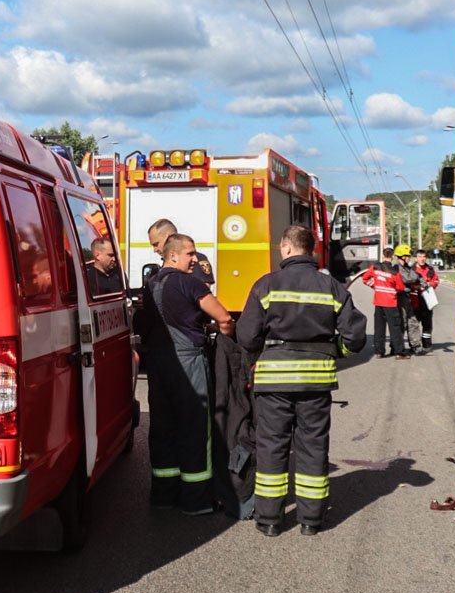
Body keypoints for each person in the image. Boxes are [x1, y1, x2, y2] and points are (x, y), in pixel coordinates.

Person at [237, 225, 367, 537]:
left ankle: (270, 519)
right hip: (316, 383)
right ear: (311, 250)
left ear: (286, 248)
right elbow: (355, 337)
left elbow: (247, 336)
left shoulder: (266, 285)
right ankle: (311, 520)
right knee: (313, 446)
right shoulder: (331, 287)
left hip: (273, 383)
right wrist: (335, 351)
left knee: (272, 446)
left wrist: (262, 354)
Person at [140, 233, 234, 515]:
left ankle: (164, 495)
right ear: (173, 255)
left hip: (159, 362)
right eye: (190, 254)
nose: (194, 259)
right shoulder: (189, 282)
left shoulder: (152, 283)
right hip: (188, 360)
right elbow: (224, 318)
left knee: (163, 428)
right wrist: (224, 332)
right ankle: (197, 501)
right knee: (195, 428)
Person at [361, 248, 409, 359]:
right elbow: (400, 288)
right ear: (392, 257)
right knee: (395, 328)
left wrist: (375, 286)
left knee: (379, 328)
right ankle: (399, 352)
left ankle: (379, 352)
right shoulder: (394, 272)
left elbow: (365, 278)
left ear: (383, 255)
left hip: (378, 302)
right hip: (390, 303)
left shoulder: (375, 267)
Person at [147, 219, 214, 286]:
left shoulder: (195, 260)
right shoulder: (168, 262)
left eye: (156, 244)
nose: (155, 250)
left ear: (169, 238)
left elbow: (203, 289)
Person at [393, 244, 423, 353]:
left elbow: (416, 277)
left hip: (407, 297)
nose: (410, 257)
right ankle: (396, 347)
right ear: (402, 256)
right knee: (402, 323)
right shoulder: (396, 268)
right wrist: (415, 278)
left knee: (413, 321)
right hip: (400, 298)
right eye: (408, 255)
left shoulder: (406, 267)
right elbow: (408, 278)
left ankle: (415, 345)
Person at [412, 249, 440, 351]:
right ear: (416, 258)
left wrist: (430, 284)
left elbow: (436, 281)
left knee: (427, 323)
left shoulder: (430, 269)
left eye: (424, 257)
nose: (422, 259)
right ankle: (414, 345)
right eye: (420, 257)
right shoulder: (411, 270)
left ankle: (426, 345)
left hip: (427, 300)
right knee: (413, 325)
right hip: (414, 300)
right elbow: (407, 283)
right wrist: (416, 287)